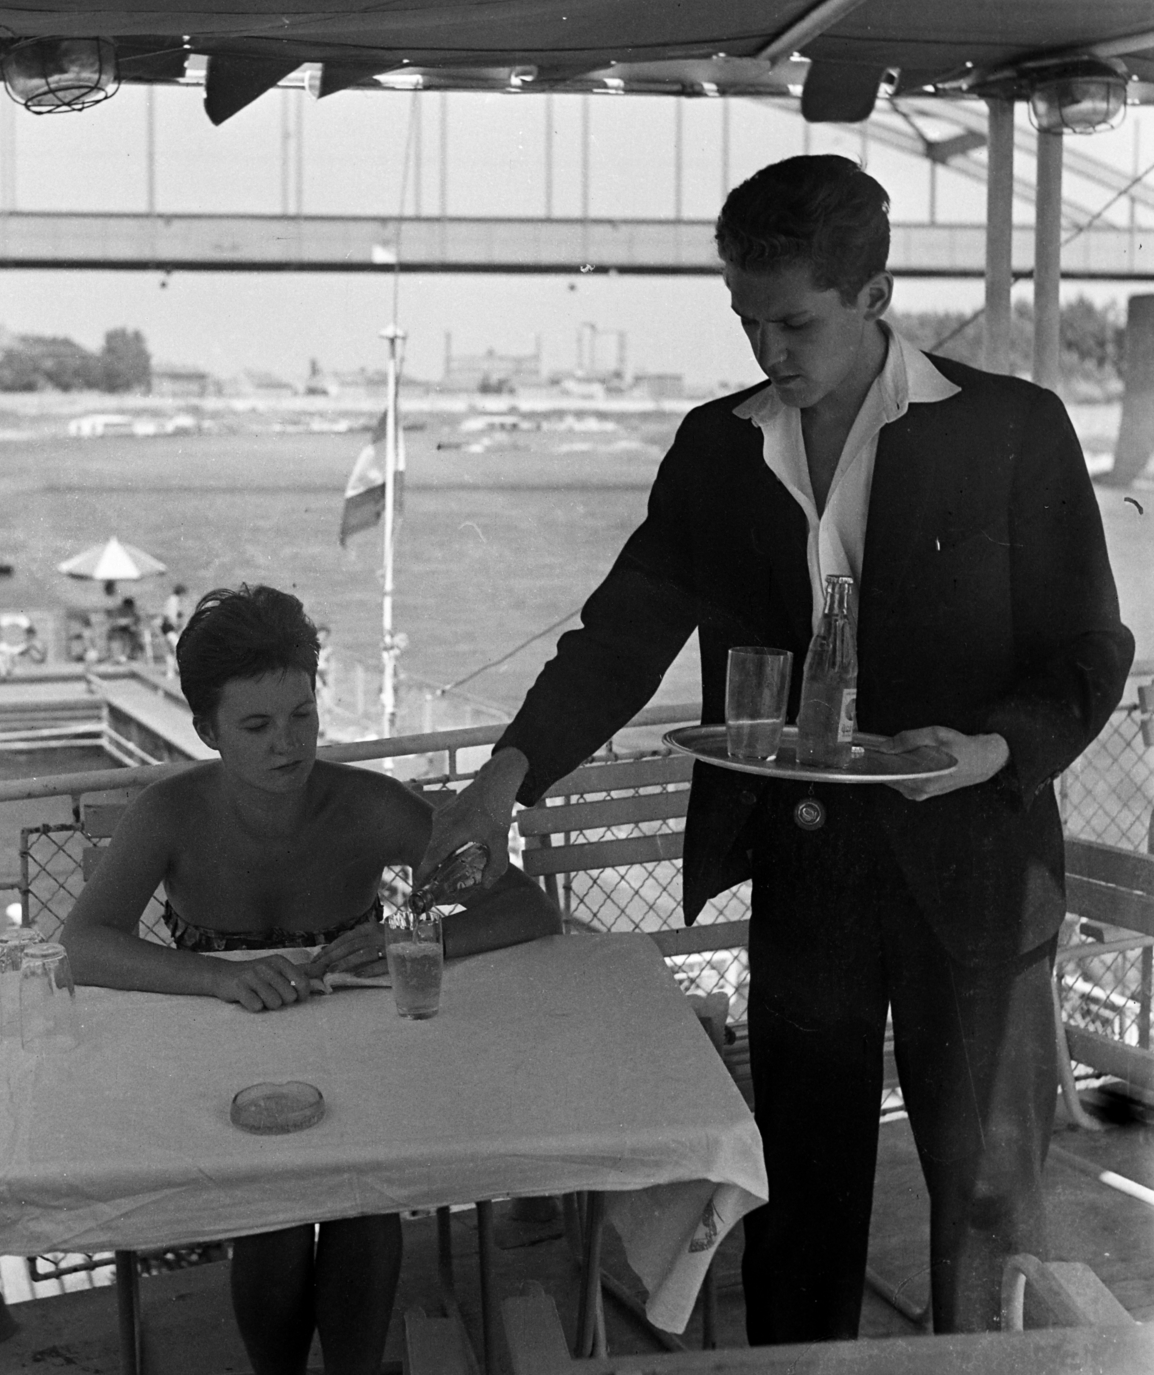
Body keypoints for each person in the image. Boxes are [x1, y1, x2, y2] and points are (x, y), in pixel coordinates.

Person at [421, 155, 1134, 1343]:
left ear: (876, 293)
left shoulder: (1012, 429)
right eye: (745, 319)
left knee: (987, 1195)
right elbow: (622, 632)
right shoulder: (715, 449)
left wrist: (991, 748)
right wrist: (502, 779)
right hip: (808, 866)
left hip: (978, 860)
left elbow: (1088, 649)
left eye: (793, 320)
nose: (766, 349)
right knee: (796, 1194)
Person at [62, 583, 560, 1375]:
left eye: (303, 717)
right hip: (223, 1058)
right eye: (256, 726)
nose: (286, 745)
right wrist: (218, 980)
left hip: (361, 1055)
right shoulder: (169, 813)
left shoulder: (370, 808)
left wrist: (415, 937)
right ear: (207, 730)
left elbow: (529, 911)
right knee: (273, 1215)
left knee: (365, 1208)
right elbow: (84, 944)